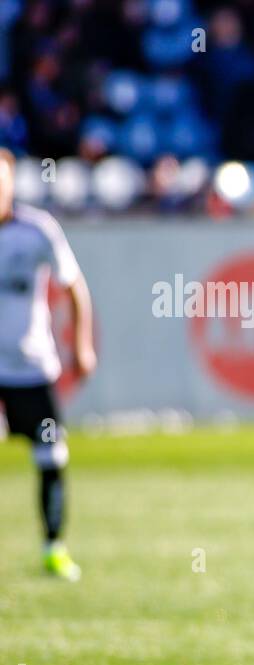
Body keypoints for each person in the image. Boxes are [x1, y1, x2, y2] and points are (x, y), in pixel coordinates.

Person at [0, 147, 95, 578]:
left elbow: (73, 285)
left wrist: (82, 343)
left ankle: (53, 546)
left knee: (51, 457)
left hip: (32, 370)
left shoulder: (37, 230)